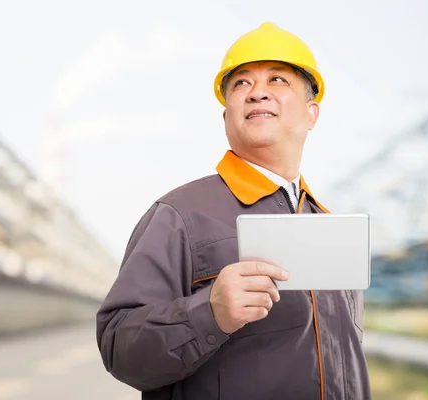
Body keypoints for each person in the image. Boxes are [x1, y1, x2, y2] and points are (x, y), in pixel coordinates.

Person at [96, 22, 371, 400]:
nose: (257, 92)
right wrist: (209, 313)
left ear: (312, 114)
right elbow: (118, 347)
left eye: (277, 80)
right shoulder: (179, 215)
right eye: (241, 84)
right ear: (226, 118)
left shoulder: (329, 227)